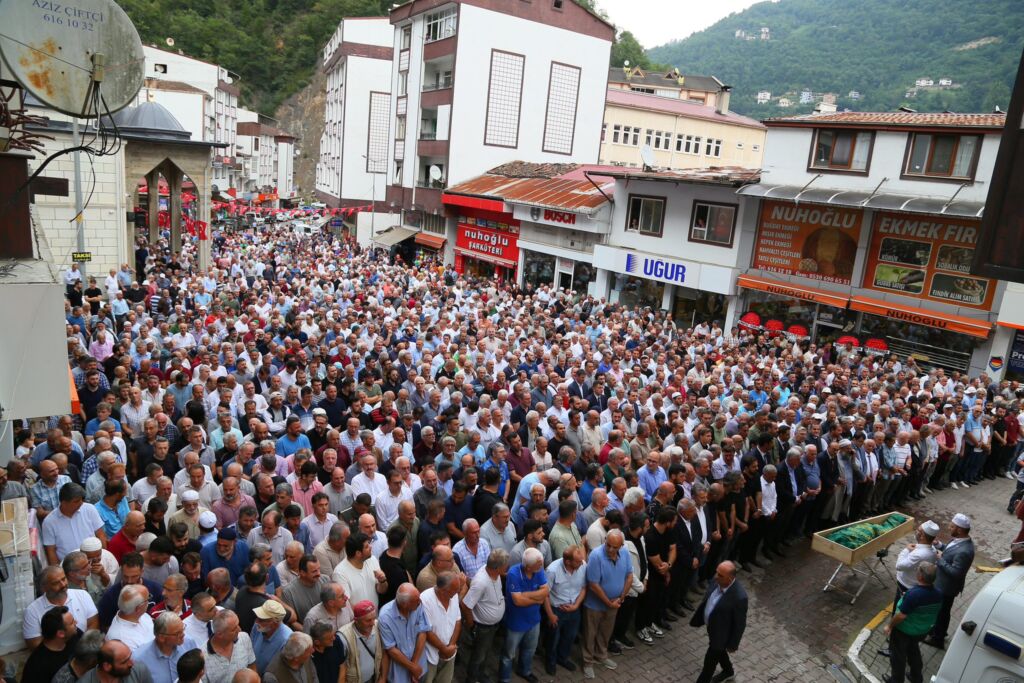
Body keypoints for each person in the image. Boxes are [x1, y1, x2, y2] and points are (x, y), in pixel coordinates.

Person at [581, 530, 632, 679]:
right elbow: (593, 584)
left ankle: (601, 655)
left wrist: (621, 598)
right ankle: (588, 662)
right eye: (608, 545)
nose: (610, 549)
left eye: (614, 547)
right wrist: (609, 602)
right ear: (604, 540)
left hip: (615, 603)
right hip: (595, 605)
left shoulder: (625, 553)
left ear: (621, 546)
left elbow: (629, 576)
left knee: (605, 632)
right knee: (590, 633)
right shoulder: (596, 556)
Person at [690, 561, 748, 683]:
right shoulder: (717, 579)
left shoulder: (739, 597)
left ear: (730, 578)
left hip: (722, 634)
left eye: (720, 575)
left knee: (709, 664)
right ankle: (728, 671)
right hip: (711, 627)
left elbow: (739, 624)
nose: (716, 576)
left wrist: (733, 644)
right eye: (717, 572)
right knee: (719, 651)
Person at [884, 562, 942, 683]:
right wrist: (908, 597)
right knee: (913, 651)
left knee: (898, 657)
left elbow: (901, 616)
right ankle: (916, 677)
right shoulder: (939, 593)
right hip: (922, 631)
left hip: (904, 631)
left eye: (918, 570)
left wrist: (889, 625)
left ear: (920, 576)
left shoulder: (914, 594)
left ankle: (896, 680)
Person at [925, 513, 975, 649]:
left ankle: (938, 639)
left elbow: (956, 573)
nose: (949, 527)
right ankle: (938, 631)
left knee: (942, 613)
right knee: (941, 612)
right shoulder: (960, 540)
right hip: (943, 585)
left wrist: (940, 560)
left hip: (947, 588)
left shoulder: (965, 551)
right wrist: (939, 544)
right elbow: (950, 551)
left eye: (952, 526)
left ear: (959, 529)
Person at [463, 549, 509, 683]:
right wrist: (472, 627)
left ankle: (480, 675)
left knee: (485, 652)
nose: (507, 567)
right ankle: (471, 679)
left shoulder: (493, 572)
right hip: (482, 627)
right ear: (498, 567)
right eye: (505, 566)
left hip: (492, 625)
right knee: (478, 656)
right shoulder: (481, 582)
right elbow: (466, 606)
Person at [543, 544, 586, 674]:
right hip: (556, 610)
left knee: (570, 637)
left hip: (574, 609)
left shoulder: (582, 565)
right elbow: (544, 594)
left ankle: (562, 658)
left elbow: (584, 587)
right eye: (578, 561)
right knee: (553, 639)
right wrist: (550, 615)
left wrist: (577, 605)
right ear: (567, 561)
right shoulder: (552, 570)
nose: (582, 563)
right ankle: (550, 661)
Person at [377, 583, 431, 683]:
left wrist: (414, 665)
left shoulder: (418, 605)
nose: (420, 601)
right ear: (405, 604)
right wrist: (412, 668)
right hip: (399, 676)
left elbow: (422, 632)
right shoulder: (385, 617)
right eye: (416, 600)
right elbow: (391, 649)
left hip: (420, 667)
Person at [21, 605, 81, 682]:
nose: (76, 622)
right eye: (72, 622)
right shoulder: (37, 666)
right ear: (60, 634)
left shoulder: (74, 634)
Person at [134, 613, 198, 683]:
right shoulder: (139, 659)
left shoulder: (189, 644)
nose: (183, 634)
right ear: (161, 637)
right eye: (177, 633)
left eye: (183, 629)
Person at [338, 600, 384, 683]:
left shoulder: (378, 626)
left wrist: (383, 678)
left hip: (374, 678)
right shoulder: (343, 637)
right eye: (368, 620)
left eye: (374, 618)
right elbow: (341, 668)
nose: (372, 623)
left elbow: (385, 653)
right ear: (356, 621)